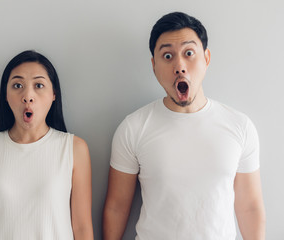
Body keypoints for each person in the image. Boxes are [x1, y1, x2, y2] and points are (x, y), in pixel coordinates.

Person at [103, 12, 265, 240]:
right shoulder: (133, 127)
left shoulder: (239, 126)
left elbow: (250, 207)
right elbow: (116, 207)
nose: (179, 65)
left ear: (206, 58)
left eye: (189, 53)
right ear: (154, 65)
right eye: (167, 56)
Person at [0, 50, 93, 240]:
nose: (28, 96)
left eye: (39, 85)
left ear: (53, 94)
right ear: (6, 95)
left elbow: (82, 229)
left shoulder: (74, 149)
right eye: (17, 85)